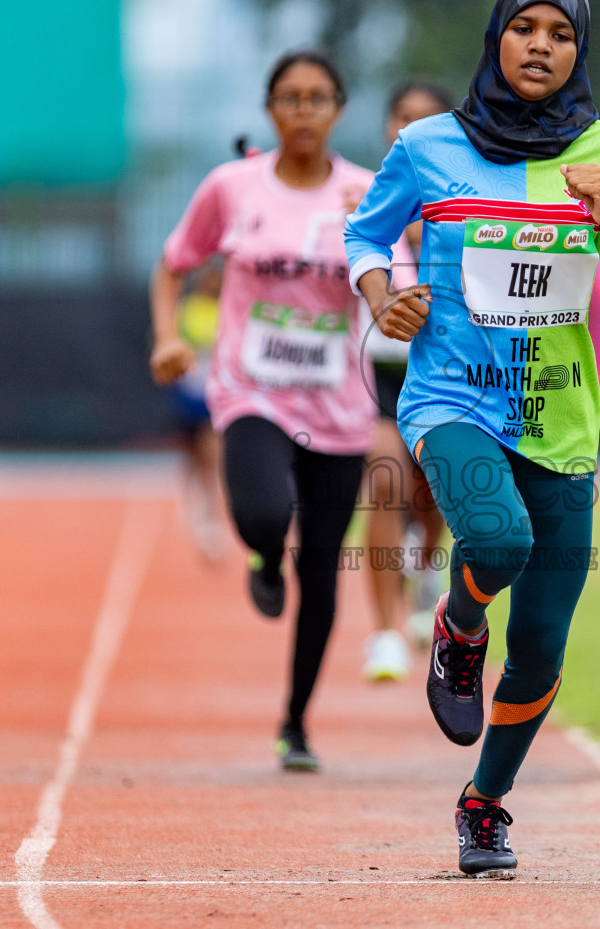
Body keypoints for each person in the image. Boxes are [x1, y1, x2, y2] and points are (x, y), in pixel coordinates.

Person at [344, 0, 600, 876]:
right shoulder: (427, 145)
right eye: (524, 27)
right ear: (496, 37)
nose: (541, 44)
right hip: (451, 398)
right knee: (496, 541)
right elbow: (364, 236)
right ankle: (458, 629)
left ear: (580, 51)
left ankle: (485, 804)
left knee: (539, 648)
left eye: (561, 34)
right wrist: (382, 298)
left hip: (560, 422)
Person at [150, 49, 377, 773]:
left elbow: (399, 281)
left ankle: (296, 721)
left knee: (321, 572)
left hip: (339, 405)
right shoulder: (232, 186)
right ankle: (257, 551)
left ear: (338, 108)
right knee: (262, 514)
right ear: (270, 110)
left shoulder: (368, 193)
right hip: (251, 388)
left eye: (317, 98)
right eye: (289, 98)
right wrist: (164, 336)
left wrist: (388, 268)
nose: (303, 111)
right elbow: (173, 261)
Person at [360, 80, 453, 683]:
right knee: (385, 478)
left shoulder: (462, 196)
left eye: (424, 120)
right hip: (379, 373)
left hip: (447, 374)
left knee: (438, 495)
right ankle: (386, 631)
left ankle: (426, 566)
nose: (409, 129)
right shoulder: (365, 195)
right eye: (401, 117)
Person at [167, 258, 229, 561]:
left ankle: (211, 518)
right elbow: (179, 339)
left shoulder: (228, 310)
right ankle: (193, 502)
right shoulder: (189, 309)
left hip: (214, 396)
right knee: (193, 456)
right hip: (189, 394)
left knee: (213, 455)